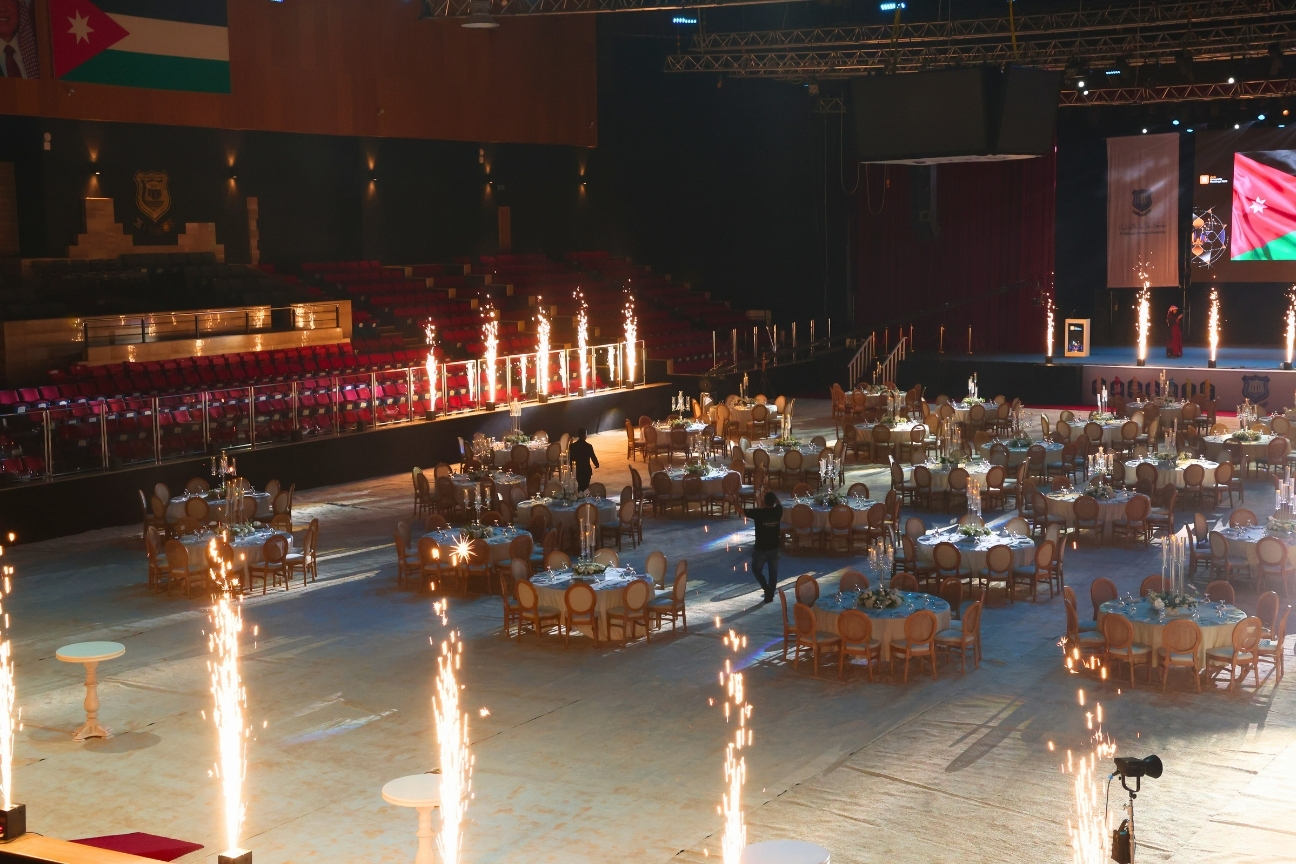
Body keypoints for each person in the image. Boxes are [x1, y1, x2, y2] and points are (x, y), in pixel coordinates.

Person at [744, 491, 783, 604]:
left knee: (756, 569)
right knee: (773, 572)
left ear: (764, 502)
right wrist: (773, 496)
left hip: (761, 549)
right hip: (775, 547)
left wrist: (733, 501)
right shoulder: (778, 511)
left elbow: (742, 511)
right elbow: (779, 503)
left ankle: (767, 589)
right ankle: (770, 594)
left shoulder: (759, 513)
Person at [568, 428, 599, 492]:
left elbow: (570, 458)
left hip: (577, 469)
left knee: (579, 485)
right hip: (586, 470)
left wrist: (571, 468)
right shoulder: (588, 446)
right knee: (586, 486)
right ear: (585, 435)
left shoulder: (572, 446)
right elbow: (593, 456)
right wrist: (596, 464)